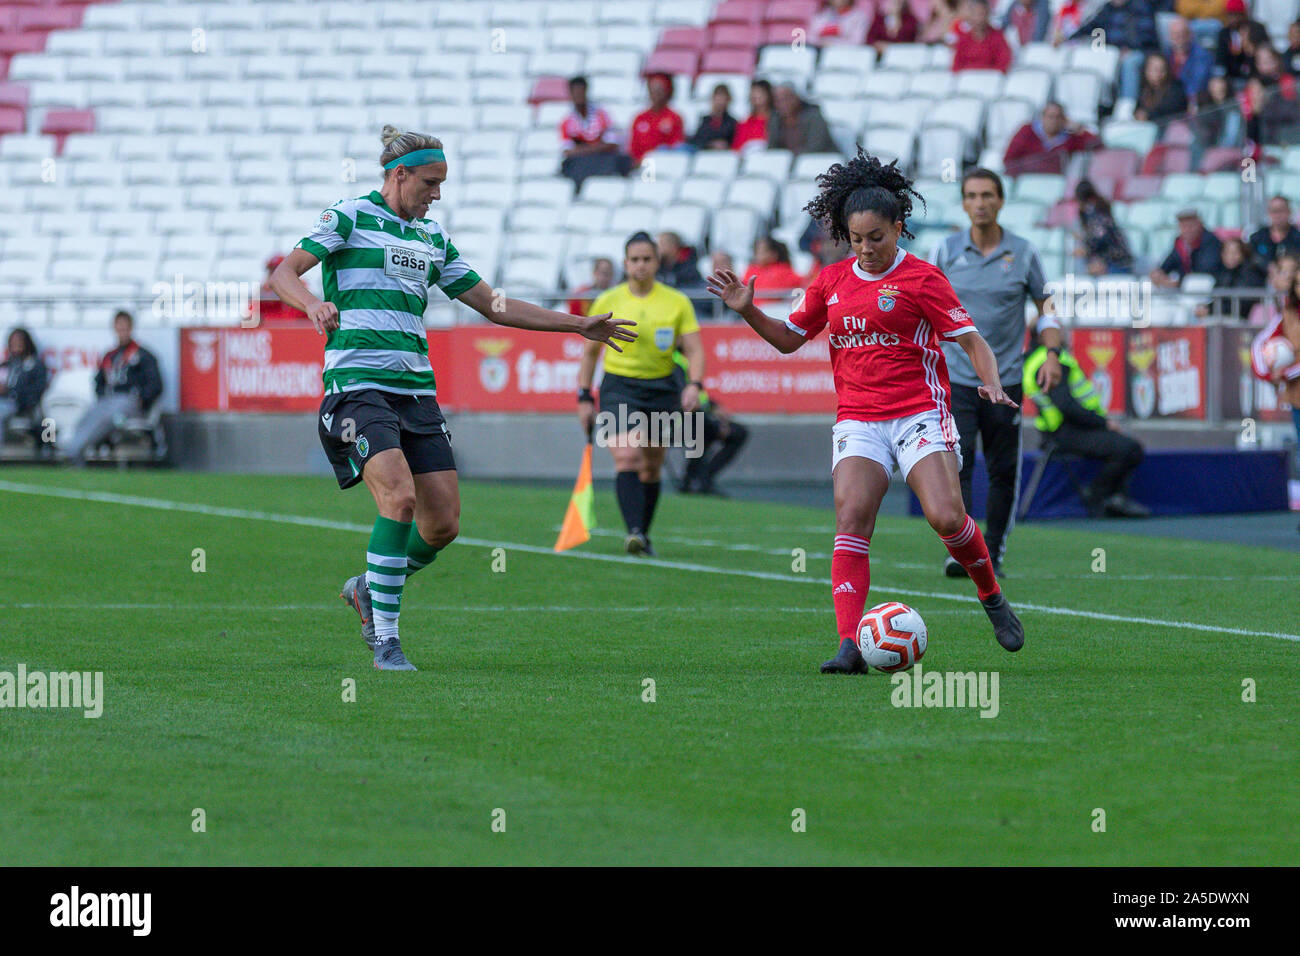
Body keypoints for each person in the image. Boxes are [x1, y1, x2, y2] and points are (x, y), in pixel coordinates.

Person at [269, 126, 635, 671]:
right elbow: (285, 273)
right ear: (399, 175)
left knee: (443, 526)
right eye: (430, 182)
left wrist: (577, 324)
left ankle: (368, 588)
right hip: (357, 387)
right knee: (399, 498)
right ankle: (387, 641)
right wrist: (310, 304)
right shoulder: (348, 216)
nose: (437, 193)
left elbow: (494, 303)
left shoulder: (432, 239)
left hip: (416, 393)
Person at [707, 149, 1028, 673]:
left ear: (899, 227)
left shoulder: (923, 279)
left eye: (876, 237)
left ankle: (990, 595)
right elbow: (789, 340)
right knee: (851, 518)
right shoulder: (831, 282)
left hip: (919, 411)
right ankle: (849, 644)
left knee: (947, 516)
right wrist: (747, 311)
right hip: (859, 417)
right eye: (856, 239)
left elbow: (973, 343)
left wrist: (990, 384)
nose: (866, 248)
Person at [933, 168, 1062, 578]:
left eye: (988, 194)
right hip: (956, 377)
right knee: (959, 462)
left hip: (1004, 379)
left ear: (1001, 201)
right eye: (972, 195)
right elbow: (925, 302)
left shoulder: (1023, 252)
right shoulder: (946, 250)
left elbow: (1047, 307)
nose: (980, 202)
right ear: (964, 203)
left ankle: (994, 552)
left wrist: (1053, 353)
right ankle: (963, 551)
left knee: (1004, 468)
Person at [578, 232, 705, 556]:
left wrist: (695, 384)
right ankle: (633, 531)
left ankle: (642, 533)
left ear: (657, 262)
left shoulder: (676, 301)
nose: (641, 265)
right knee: (628, 457)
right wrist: (583, 396)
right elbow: (590, 355)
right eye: (634, 260)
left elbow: (694, 349)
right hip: (619, 385)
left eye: (647, 259)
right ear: (625, 263)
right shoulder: (608, 300)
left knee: (650, 466)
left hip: (662, 387)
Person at [1023, 340, 1150, 518]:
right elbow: (1066, 406)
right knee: (1130, 449)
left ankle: (1114, 497)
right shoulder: (1052, 363)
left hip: (1059, 430)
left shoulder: (1033, 360)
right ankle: (1098, 493)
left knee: (1124, 445)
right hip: (1066, 431)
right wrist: (1103, 423)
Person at [58, 311, 163, 465]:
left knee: (106, 419)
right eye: (119, 327)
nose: (122, 331)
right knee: (87, 416)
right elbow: (98, 381)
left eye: (125, 327)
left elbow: (156, 384)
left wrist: (142, 399)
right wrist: (101, 395)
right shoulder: (110, 356)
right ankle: (71, 450)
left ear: (131, 328)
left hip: (129, 402)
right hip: (109, 400)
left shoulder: (143, 355)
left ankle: (74, 453)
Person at [671, 350, 750, 495]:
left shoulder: (683, 359)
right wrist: (717, 426)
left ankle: (695, 480)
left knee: (714, 431)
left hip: (694, 420)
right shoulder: (676, 362)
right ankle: (700, 480)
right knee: (707, 431)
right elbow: (685, 401)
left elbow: (697, 397)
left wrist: (714, 407)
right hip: (676, 423)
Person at [1072, 0, 1159, 102]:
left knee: (1129, 62)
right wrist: (1069, 37)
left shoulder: (1141, 6)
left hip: (1138, 51)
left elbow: (1148, 35)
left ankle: (1127, 103)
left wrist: (1129, 47)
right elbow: (1091, 27)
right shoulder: (1107, 9)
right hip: (1112, 52)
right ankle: (1098, 103)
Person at [558, 76, 630, 191]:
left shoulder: (601, 115)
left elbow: (612, 144)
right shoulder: (567, 121)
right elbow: (568, 151)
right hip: (583, 162)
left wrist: (583, 149)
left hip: (603, 159)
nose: (578, 95)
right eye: (575, 92)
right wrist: (597, 146)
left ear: (586, 91)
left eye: (581, 91)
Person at [1002, 101, 1101, 175]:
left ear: (1064, 119)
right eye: (1050, 117)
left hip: (1056, 182)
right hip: (1027, 178)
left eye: (1058, 117)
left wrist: (1079, 129)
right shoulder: (1027, 131)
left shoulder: (1071, 138)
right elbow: (1009, 160)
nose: (1054, 121)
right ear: (1042, 117)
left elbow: (1097, 146)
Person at [1074, 179, 1135, 275]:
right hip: (1117, 262)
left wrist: (1086, 249)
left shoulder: (1095, 214)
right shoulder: (1101, 210)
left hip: (1117, 264)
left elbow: (1101, 240)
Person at [0, 327, 48, 446]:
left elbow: (37, 390)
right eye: (13, 342)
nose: (16, 345)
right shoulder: (9, 364)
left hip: (20, 404)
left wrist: (10, 391)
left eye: (19, 342)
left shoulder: (34, 365)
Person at [1150, 209, 1223, 288]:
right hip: (1186, 288)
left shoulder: (1210, 241)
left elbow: (1205, 269)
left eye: (1191, 226)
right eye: (1183, 226)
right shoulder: (1180, 243)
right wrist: (1159, 274)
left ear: (1199, 224)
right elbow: (1168, 264)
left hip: (1207, 289)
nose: (1187, 230)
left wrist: (1179, 283)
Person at [1195, 238, 1265, 319]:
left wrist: (1210, 310)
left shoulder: (1251, 273)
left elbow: (1243, 304)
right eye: (1226, 252)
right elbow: (1217, 298)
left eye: (1235, 252)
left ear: (1243, 254)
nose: (1230, 256)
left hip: (1242, 320)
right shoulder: (1223, 273)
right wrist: (1206, 308)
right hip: (1223, 316)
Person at [628, 73, 685, 166]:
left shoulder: (674, 118)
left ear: (667, 92)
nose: (656, 94)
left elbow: (676, 146)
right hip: (641, 165)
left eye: (659, 90)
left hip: (664, 164)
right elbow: (633, 147)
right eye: (652, 90)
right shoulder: (640, 118)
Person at [767, 84, 837, 156]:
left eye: (786, 98)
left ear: (797, 98)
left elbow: (816, 147)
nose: (783, 104)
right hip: (787, 163)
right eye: (777, 100)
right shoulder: (775, 119)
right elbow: (772, 148)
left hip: (819, 161)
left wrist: (790, 157)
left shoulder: (813, 116)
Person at [741, 236, 806, 307]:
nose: (758, 255)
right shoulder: (751, 270)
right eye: (756, 251)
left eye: (762, 251)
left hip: (775, 311)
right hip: (752, 311)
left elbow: (802, 283)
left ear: (774, 254)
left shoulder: (783, 270)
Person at [951, 0, 1013, 73]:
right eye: (975, 14)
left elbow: (1003, 64)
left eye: (982, 14)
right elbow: (956, 67)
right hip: (967, 81)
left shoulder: (998, 38)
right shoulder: (963, 40)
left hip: (991, 80)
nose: (979, 18)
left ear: (988, 15)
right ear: (970, 16)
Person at [1216, 1, 1268, 83]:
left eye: (1235, 15)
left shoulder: (1257, 29)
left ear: (1243, 15)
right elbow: (1221, 59)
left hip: (1255, 74)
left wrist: (1249, 47)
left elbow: (1264, 52)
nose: (1232, 19)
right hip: (1232, 77)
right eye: (1229, 15)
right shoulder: (1224, 33)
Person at [1166, 17, 1214, 101]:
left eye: (1182, 34)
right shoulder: (1166, 54)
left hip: (1193, 101)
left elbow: (1197, 85)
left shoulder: (1201, 55)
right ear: (1170, 36)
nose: (1179, 38)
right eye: (1175, 34)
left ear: (1190, 35)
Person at [1134, 52, 1190, 124]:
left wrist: (1148, 116)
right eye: (1155, 69)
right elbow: (1138, 109)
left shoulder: (1175, 90)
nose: (1159, 73)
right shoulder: (1145, 89)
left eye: (1162, 69)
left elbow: (1168, 113)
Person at [1248, 195, 1300, 265]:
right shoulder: (1257, 238)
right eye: (1274, 211)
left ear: (1289, 212)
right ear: (1268, 213)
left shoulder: (1297, 238)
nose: (1278, 215)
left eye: (1281, 211)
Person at [690, 83, 738, 151]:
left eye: (723, 99)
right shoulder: (705, 121)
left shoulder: (732, 123)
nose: (719, 102)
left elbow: (735, 144)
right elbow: (696, 141)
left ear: (728, 100)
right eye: (717, 98)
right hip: (704, 156)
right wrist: (710, 145)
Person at [733, 79, 774, 150]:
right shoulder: (745, 124)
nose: (756, 95)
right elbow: (737, 148)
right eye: (753, 92)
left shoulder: (778, 120)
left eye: (760, 92)